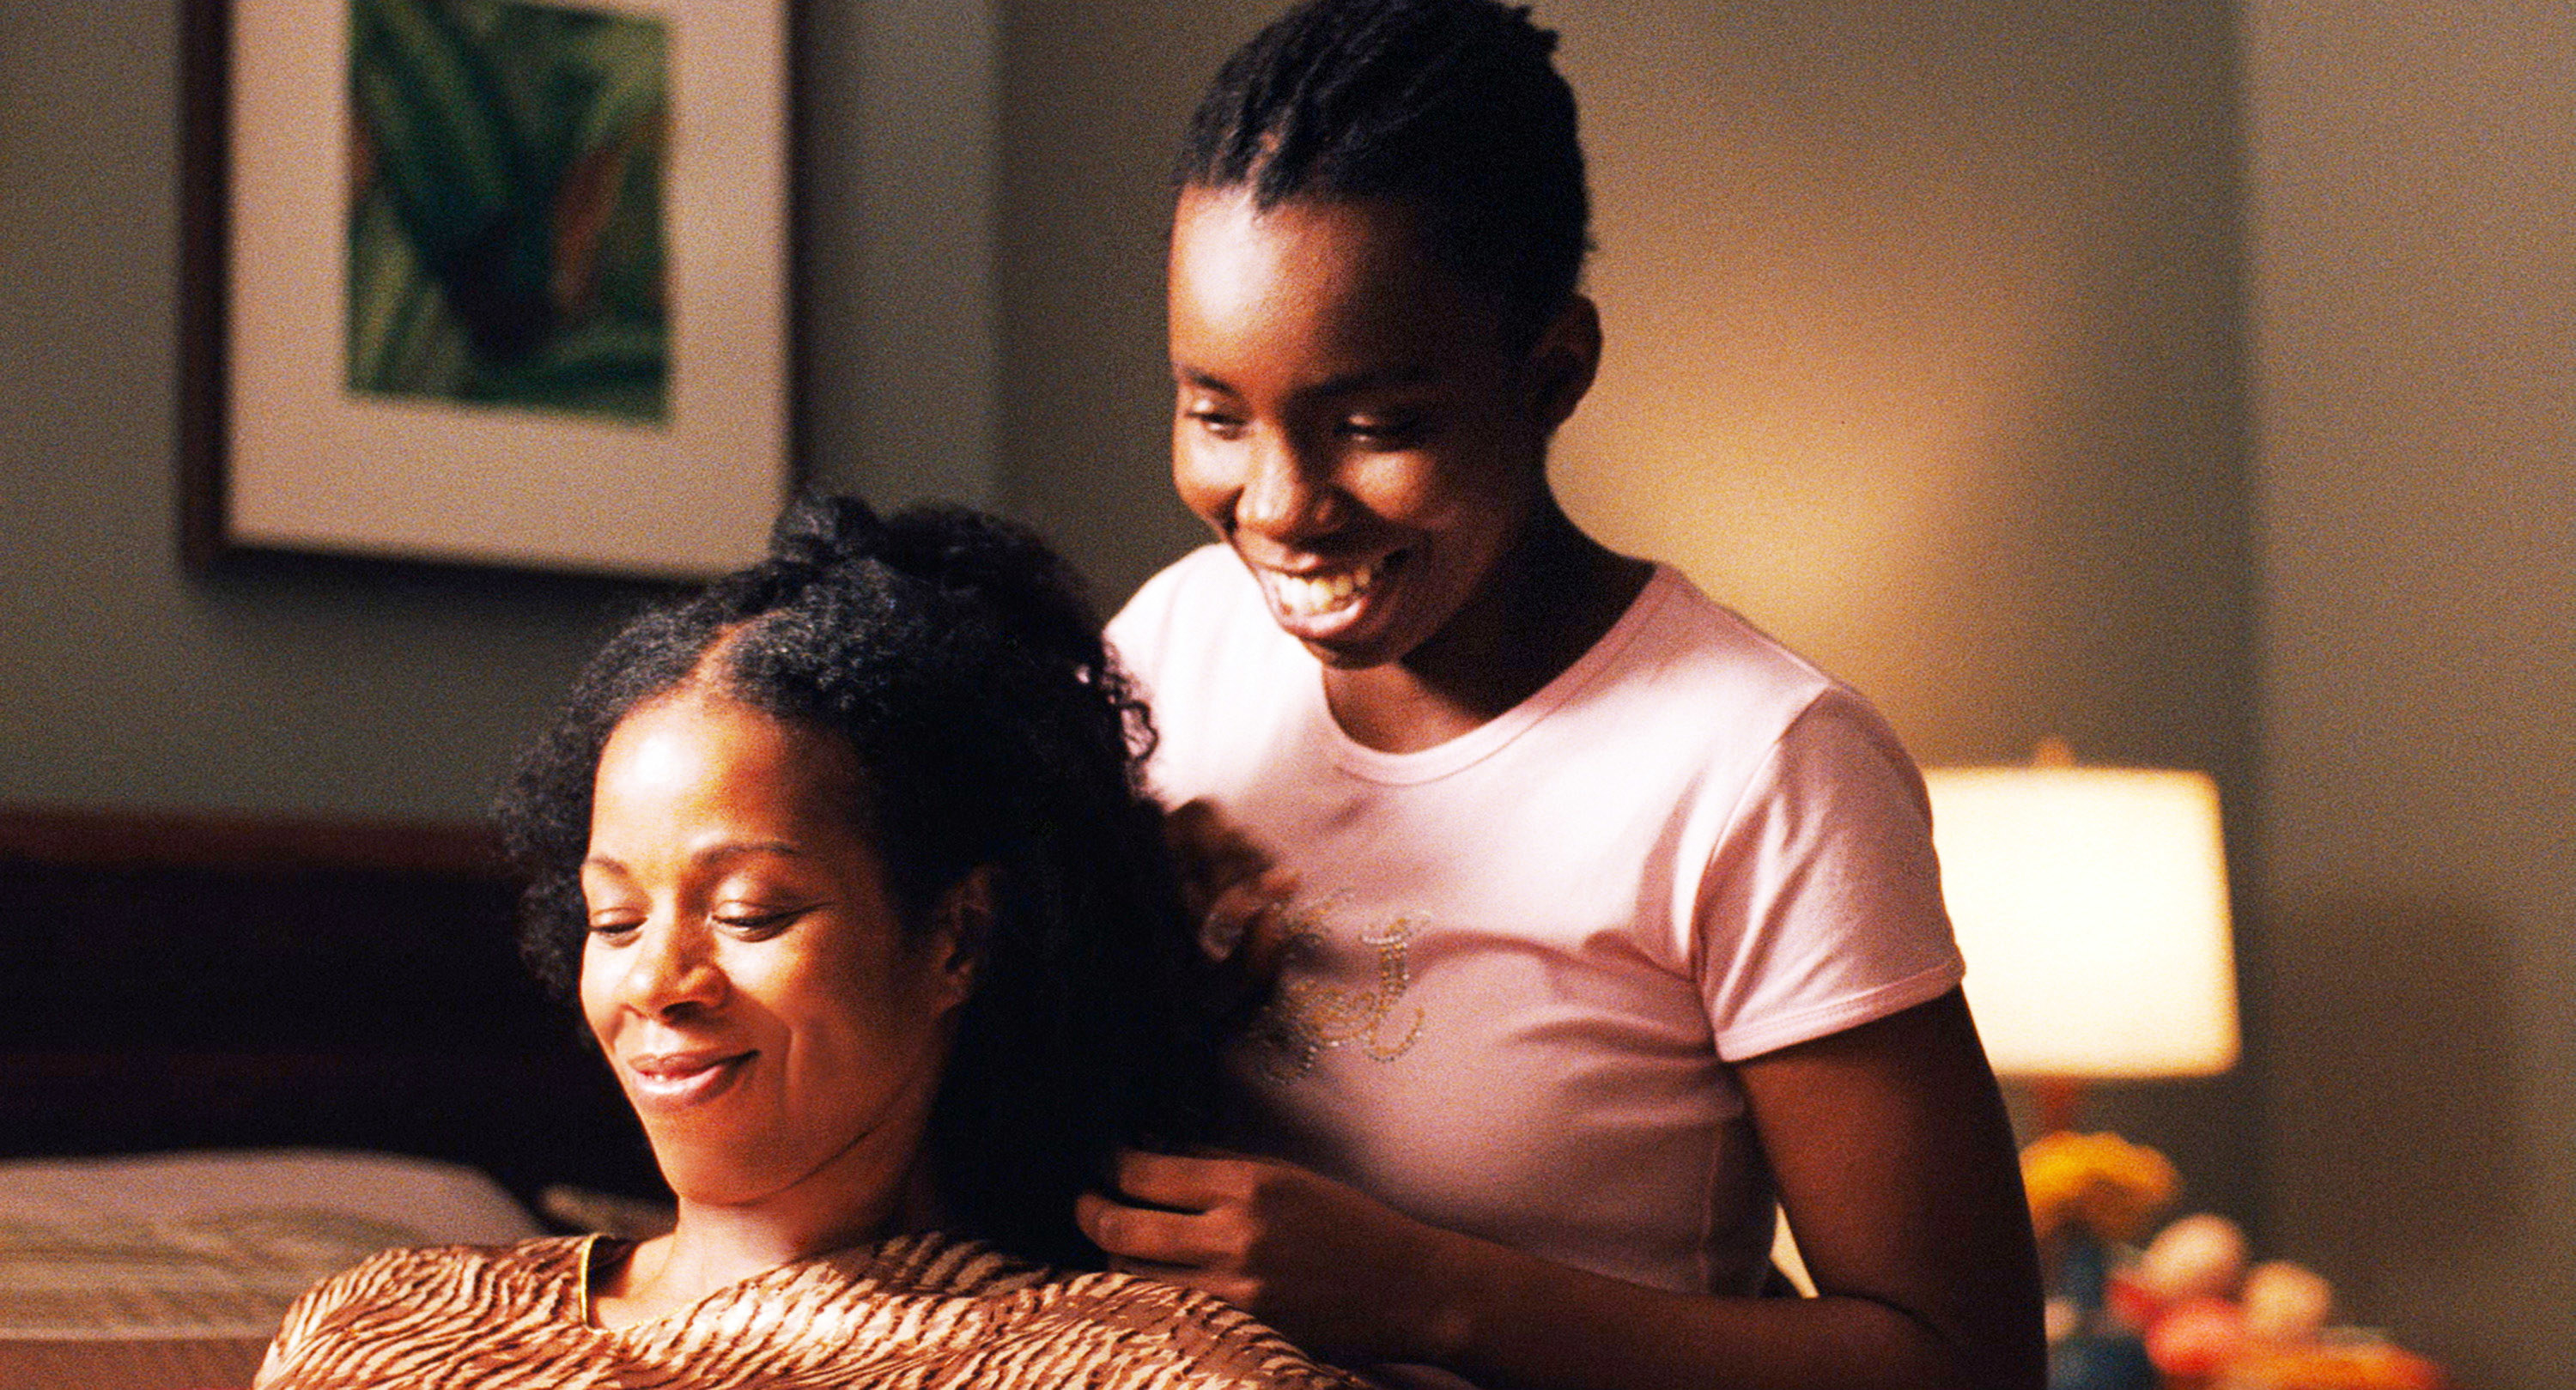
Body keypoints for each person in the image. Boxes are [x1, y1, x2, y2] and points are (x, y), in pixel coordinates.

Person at [1078, 3, 2047, 1387]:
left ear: (1554, 371)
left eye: (1375, 424)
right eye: (1217, 412)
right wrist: (1144, 982)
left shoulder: (1758, 763)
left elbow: (1964, 1360)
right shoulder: (1175, 643)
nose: (1282, 506)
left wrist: (1426, 1291)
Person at [256, 497, 1357, 1390]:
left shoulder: (1138, 1367)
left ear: (957, 939)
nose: (658, 981)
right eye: (614, 919)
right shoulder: (376, 1328)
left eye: (748, 914)